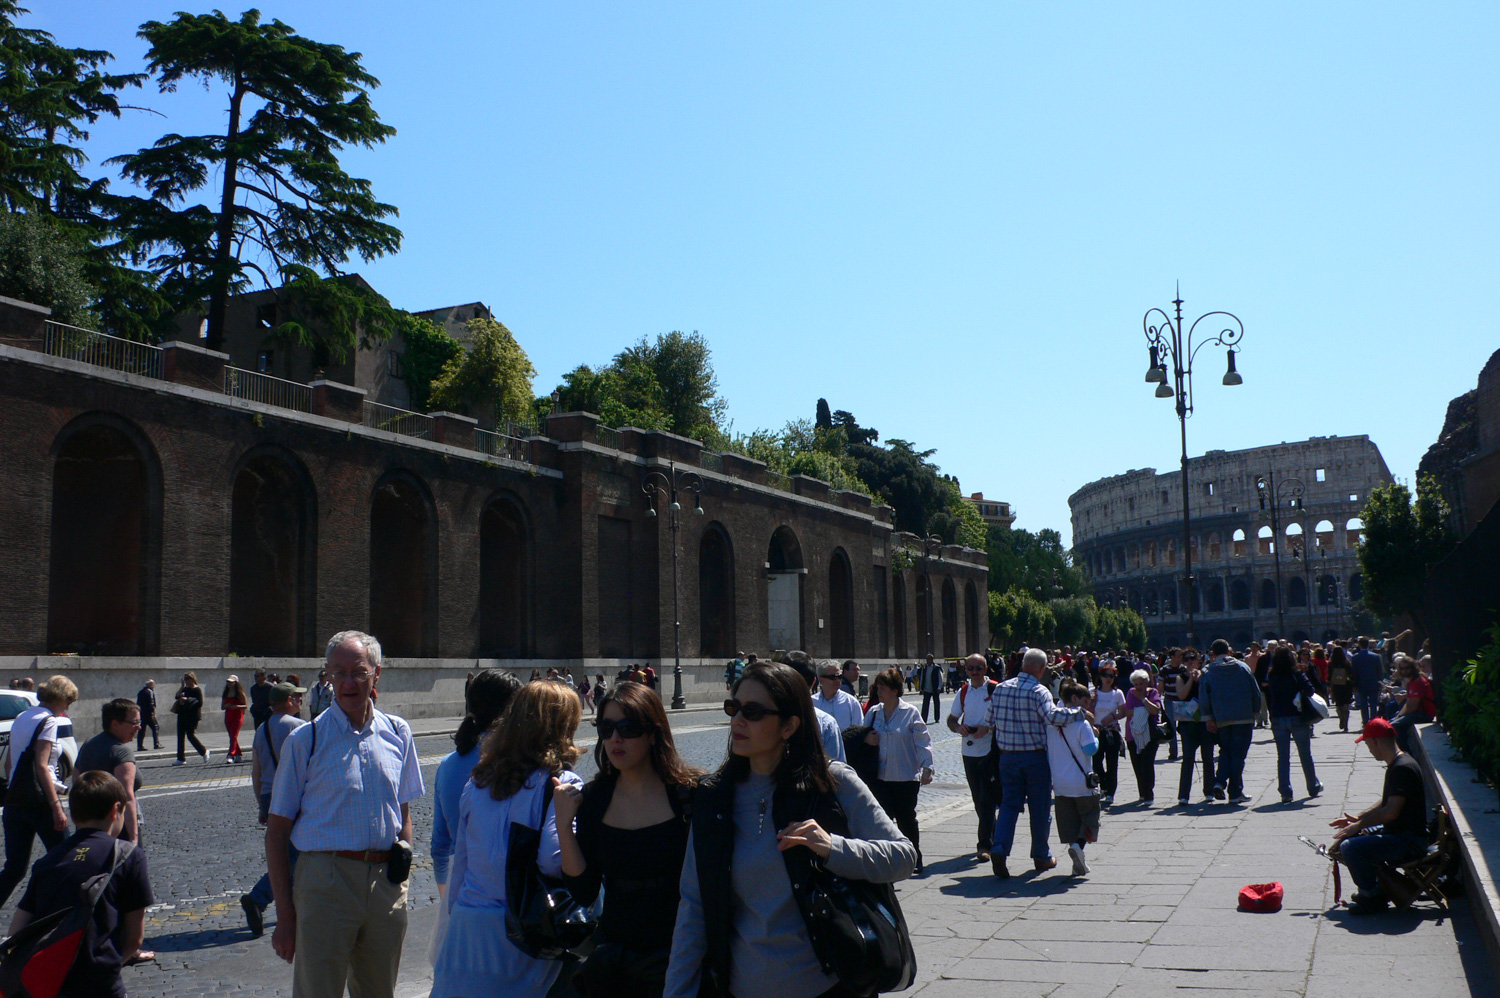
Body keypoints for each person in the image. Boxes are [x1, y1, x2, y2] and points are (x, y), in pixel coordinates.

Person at [663, 662, 916, 998]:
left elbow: (902, 856)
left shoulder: (833, 782)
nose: (737, 720)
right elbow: (693, 906)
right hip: (742, 988)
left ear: (789, 726)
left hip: (829, 986)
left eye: (752, 711)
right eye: (733, 708)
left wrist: (832, 848)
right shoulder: (714, 798)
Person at [267, 631, 424, 997]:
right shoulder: (305, 740)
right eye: (338, 673)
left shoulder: (398, 732)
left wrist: (401, 870)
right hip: (326, 881)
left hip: (385, 883)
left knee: (379, 991)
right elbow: (276, 833)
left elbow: (403, 810)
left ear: (377, 674)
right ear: (327, 676)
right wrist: (285, 917)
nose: (348, 682)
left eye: (358, 672)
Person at [432, 680, 583, 997]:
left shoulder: (479, 780)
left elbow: (462, 861)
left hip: (468, 929)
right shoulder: (559, 783)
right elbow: (553, 861)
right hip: (515, 933)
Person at [555, 682, 700, 998]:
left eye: (628, 728)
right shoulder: (594, 799)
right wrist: (564, 826)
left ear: (652, 733)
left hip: (679, 957)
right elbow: (583, 890)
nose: (615, 738)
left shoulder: (689, 794)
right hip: (617, 961)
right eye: (607, 728)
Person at [7, 771, 153, 998]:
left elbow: (16, 932)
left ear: (74, 816)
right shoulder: (128, 856)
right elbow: (135, 939)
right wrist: (107, 966)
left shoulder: (46, 862)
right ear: (116, 810)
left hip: (52, 982)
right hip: (101, 982)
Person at [427, 670, 521, 965]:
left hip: (461, 900)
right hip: (507, 902)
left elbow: (440, 846)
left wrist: (448, 903)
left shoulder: (447, 765)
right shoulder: (520, 766)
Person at [986, 648, 1090, 879]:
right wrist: (1078, 713)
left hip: (1007, 757)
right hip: (1034, 757)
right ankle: (1041, 856)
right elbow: (1053, 717)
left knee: (1009, 805)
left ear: (1023, 664)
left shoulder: (1001, 688)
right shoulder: (1038, 691)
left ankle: (999, 848)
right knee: (1040, 808)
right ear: (1042, 669)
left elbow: (989, 720)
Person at [1331, 718, 1430, 913]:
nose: (1369, 749)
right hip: (1406, 834)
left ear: (1375, 741)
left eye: (1368, 744)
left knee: (1350, 847)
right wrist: (1358, 819)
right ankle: (1373, 889)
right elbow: (1386, 802)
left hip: (1408, 840)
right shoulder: (1402, 761)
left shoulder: (1402, 768)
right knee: (1357, 836)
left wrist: (1359, 825)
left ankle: (1372, 897)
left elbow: (1390, 812)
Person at [0, 674, 78, 909]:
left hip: (14, 800)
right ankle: (62, 911)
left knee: (14, 868)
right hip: (39, 802)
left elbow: (9, 764)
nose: (68, 707)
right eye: (68, 702)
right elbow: (42, 766)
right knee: (64, 858)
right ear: (60, 698)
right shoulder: (49, 721)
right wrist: (56, 807)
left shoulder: (22, 716)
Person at [240, 681, 308, 937]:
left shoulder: (261, 729)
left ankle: (292, 904)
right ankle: (259, 898)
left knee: (287, 852)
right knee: (297, 854)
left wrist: (261, 803)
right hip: (294, 798)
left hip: (270, 797)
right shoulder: (301, 728)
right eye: (298, 698)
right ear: (289, 700)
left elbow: (256, 771)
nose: (301, 701)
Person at [863, 667, 935, 874]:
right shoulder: (873, 713)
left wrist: (927, 767)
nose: (879, 692)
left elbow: (923, 741)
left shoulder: (910, 713)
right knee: (883, 821)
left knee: (906, 820)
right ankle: (888, 859)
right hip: (879, 778)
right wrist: (866, 739)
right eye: (878, 688)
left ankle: (914, 857)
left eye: (883, 688)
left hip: (905, 776)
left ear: (895, 690)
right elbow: (861, 736)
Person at [1198, 639, 1263, 804]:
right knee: (1238, 755)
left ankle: (1221, 783)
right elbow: (1255, 692)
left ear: (1212, 654)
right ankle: (1232, 790)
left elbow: (1204, 697)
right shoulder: (1243, 667)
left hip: (1221, 719)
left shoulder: (1208, 671)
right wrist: (1255, 712)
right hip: (1243, 716)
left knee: (1226, 751)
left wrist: (1208, 718)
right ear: (1229, 651)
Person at [948, 653, 999, 860]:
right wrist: (958, 728)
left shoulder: (996, 689)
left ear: (985, 669)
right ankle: (993, 837)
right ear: (966, 670)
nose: (975, 672)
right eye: (971, 668)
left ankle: (984, 845)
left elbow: (1006, 718)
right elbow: (951, 719)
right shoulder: (964, 691)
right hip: (969, 751)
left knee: (987, 798)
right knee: (978, 799)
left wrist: (987, 729)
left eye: (979, 668)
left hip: (990, 750)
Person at [1047, 681, 1100, 876]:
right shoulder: (1081, 723)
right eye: (1086, 702)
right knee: (1089, 817)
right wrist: (1095, 735)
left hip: (1059, 783)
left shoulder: (1051, 724)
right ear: (1075, 699)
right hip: (1081, 782)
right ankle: (1078, 847)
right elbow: (1090, 749)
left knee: (1069, 822)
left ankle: (1078, 859)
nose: (1088, 708)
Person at [75, 698, 143, 844]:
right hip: (118, 827)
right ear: (115, 724)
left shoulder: (88, 744)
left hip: (87, 826)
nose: (139, 727)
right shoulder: (121, 752)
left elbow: (76, 782)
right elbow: (127, 797)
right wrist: (134, 838)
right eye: (135, 722)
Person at [1266, 645, 1324, 803]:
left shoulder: (1272, 675)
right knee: (1305, 754)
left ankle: (1285, 791)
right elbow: (1311, 691)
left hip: (1278, 717)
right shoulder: (1296, 673)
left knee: (1283, 757)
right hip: (1297, 716)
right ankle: (1313, 785)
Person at [1173, 649, 1216, 805]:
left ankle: (1209, 791)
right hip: (1187, 723)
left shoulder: (1207, 676)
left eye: (1193, 659)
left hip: (1205, 721)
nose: (1190, 662)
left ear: (1199, 660)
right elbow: (1182, 695)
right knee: (1188, 759)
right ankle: (1184, 795)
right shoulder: (1181, 677)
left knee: (1208, 757)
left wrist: (1200, 679)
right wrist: (1191, 680)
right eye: (1186, 659)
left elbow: (1211, 695)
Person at [1122, 669, 1164, 805]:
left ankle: (1148, 794)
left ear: (1146, 683)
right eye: (1136, 684)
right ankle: (1142, 792)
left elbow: (1155, 710)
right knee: (1137, 765)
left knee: (1147, 764)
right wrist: (1143, 710)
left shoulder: (1153, 692)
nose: (1138, 687)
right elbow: (1127, 712)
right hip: (1133, 734)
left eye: (1141, 684)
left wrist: (1142, 700)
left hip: (1150, 734)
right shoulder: (1130, 692)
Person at [1091, 665, 1126, 807]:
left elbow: (1122, 712)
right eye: (1106, 675)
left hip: (1112, 731)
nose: (1108, 678)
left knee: (1112, 763)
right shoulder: (1093, 693)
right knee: (1096, 763)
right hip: (1096, 731)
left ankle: (1110, 792)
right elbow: (1086, 710)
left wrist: (1112, 716)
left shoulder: (1117, 693)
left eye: (1111, 676)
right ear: (1100, 676)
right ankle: (1104, 785)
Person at [1391, 657, 1436, 753]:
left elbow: (1413, 706)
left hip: (1424, 714)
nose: (1405, 671)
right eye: (1402, 669)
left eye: (1407, 668)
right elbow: (1408, 702)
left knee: (1395, 726)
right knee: (1392, 721)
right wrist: (1398, 715)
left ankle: (1405, 753)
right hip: (1416, 712)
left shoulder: (1419, 682)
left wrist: (1399, 717)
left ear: (1413, 668)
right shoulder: (1411, 682)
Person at [812, 661, 865, 731]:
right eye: (833, 677)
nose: (837, 680)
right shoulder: (812, 702)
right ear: (821, 679)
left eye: (839, 676)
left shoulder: (851, 702)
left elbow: (859, 731)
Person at [172, 672, 209, 765]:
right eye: (185, 679)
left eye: (187, 679)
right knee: (180, 737)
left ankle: (204, 751)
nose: (186, 681)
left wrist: (187, 700)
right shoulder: (185, 689)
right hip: (182, 714)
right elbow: (176, 696)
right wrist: (181, 687)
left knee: (190, 735)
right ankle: (181, 758)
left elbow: (200, 703)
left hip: (192, 716)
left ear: (192, 679)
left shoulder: (197, 690)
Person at [1351, 637, 1385, 728]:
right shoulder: (1376, 656)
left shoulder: (1355, 657)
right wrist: (1380, 681)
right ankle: (1373, 721)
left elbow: (1354, 672)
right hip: (1374, 683)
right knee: (1373, 703)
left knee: (1363, 704)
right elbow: (1380, 671)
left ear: (1359, 645)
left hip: (1361, 683)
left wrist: (1354, 684)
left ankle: (1365, 722)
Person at [1326, 645, 1356, 732]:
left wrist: (1328, 685)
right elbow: (1351, 674)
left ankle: (1341, 717)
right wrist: (1354, 684)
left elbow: (1329, 675)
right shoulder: (1346, 662)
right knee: (1346, 704)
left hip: (1336, 685)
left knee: (1338, 704)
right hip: (1346, 685)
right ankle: (1346, 724)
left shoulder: (1331, 664)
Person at [222, 675, 248, 764]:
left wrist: (237, 706)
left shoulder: (240, 693)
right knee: (232, 736)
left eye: (231, 682)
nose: (229, 684)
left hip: (238, 716)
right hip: (228, 716)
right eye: (228, 682)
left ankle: (231, 754)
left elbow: (246, 705)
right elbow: (222, 706)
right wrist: (227, 705)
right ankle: (238, 754)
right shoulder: (226, 693)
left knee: (234, 736)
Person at [917, 653, 944, 724]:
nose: (927, 661)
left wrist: (939, 687)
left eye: (929, 659)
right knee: (925, 704)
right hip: (926, 689)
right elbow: (922, 677)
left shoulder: (937, 668)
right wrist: (921, 688)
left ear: (932, 660)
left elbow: (940, 678)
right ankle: (924, 719)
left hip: (934, 688)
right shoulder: (924, 668)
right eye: (927, 659)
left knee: (936, 704)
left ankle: (937, 718)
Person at [135, 679, 159, 751]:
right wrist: (154, 713)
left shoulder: (141, 692)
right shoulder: (150, 692)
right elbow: (152, 704)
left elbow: (138, 703)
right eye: (153, 684)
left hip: (142, 713)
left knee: (142, 729)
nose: (154, 685)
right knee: (155, 727)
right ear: (151, 684)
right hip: (149, 713)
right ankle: (156, 744)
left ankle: (139, 746)